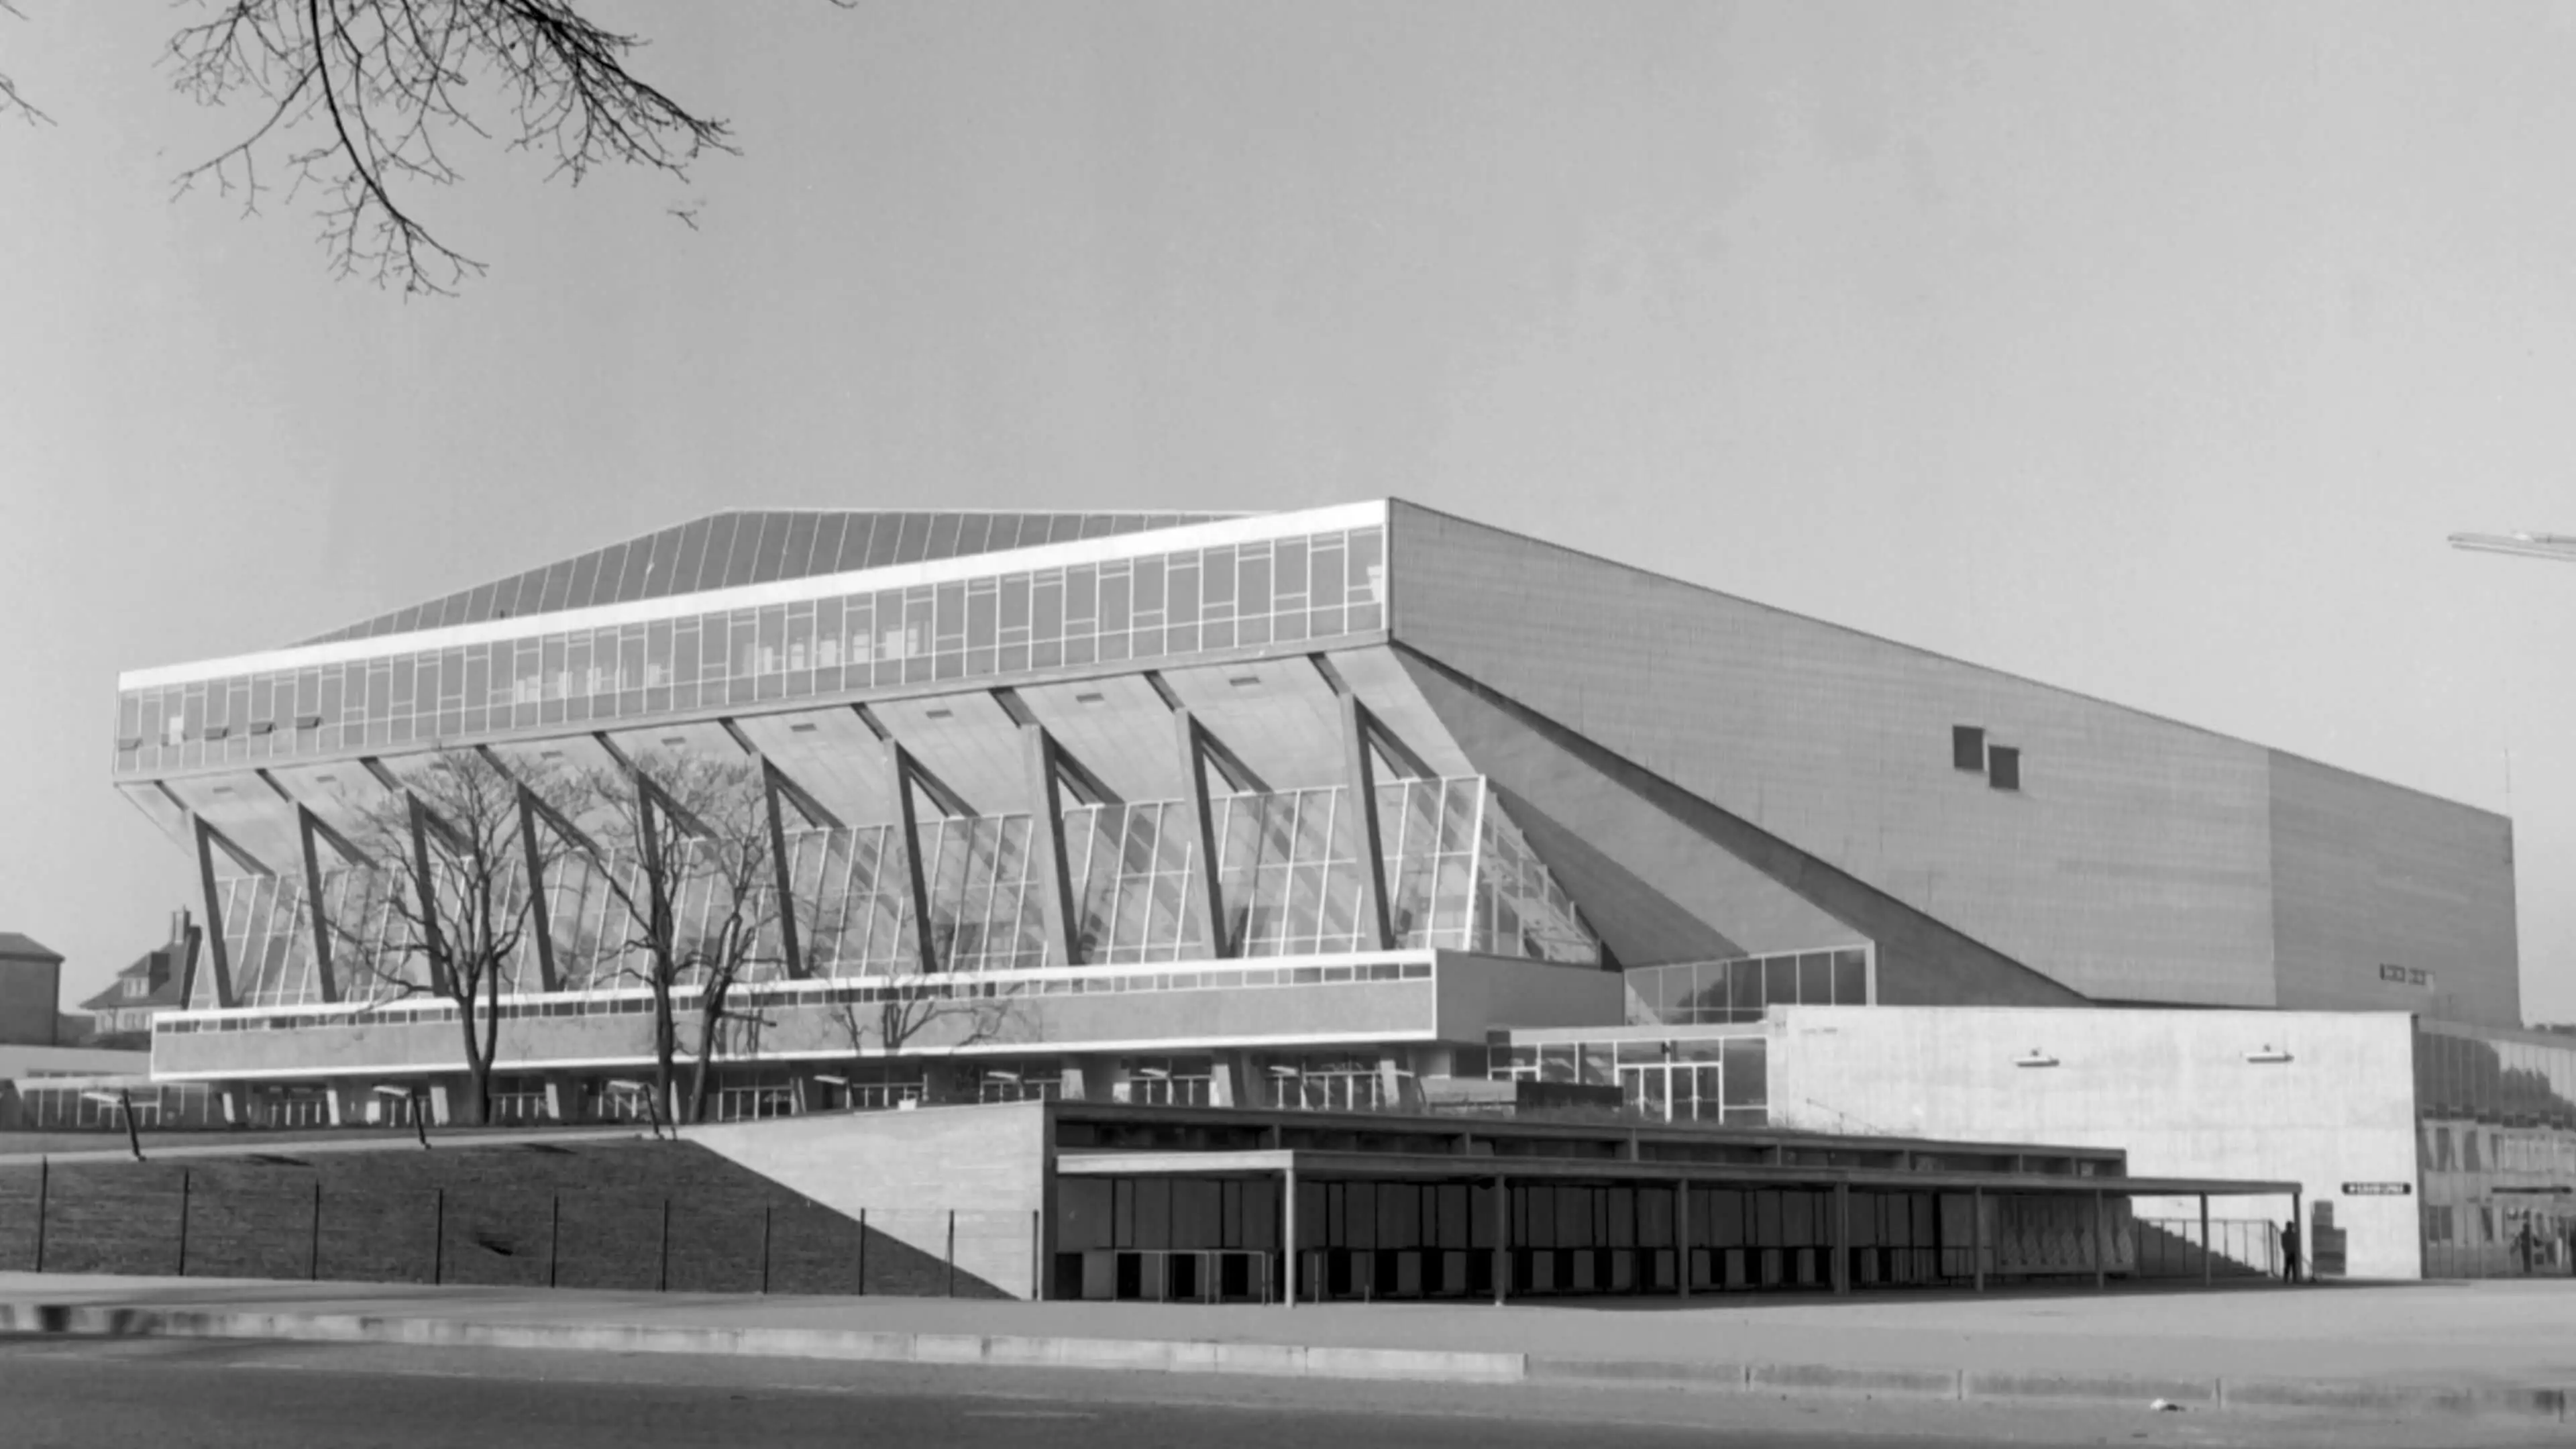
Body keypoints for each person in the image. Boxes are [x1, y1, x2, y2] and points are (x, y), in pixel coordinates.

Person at [2280, 1218, 2302, 1283]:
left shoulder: (2294, 1234)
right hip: (2288, 1251)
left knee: (2294, 1266)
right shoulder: (2284, 1234)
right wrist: (2286, 1250)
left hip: (2293, 1251)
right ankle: (2286, 1279)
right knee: (2287, 1266)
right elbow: (2283, 1243)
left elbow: (2296, 1243)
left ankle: (2294, 1279)